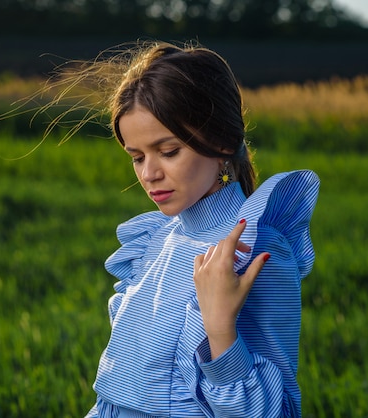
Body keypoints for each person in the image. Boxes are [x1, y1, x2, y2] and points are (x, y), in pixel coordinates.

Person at [33, 41, 319, 417]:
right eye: (137, 157)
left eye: (168, 152)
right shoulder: (154, 240)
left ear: (221, 141)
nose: (149, 174)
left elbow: (274, 411)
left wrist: (219, 329)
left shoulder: (255, 247)